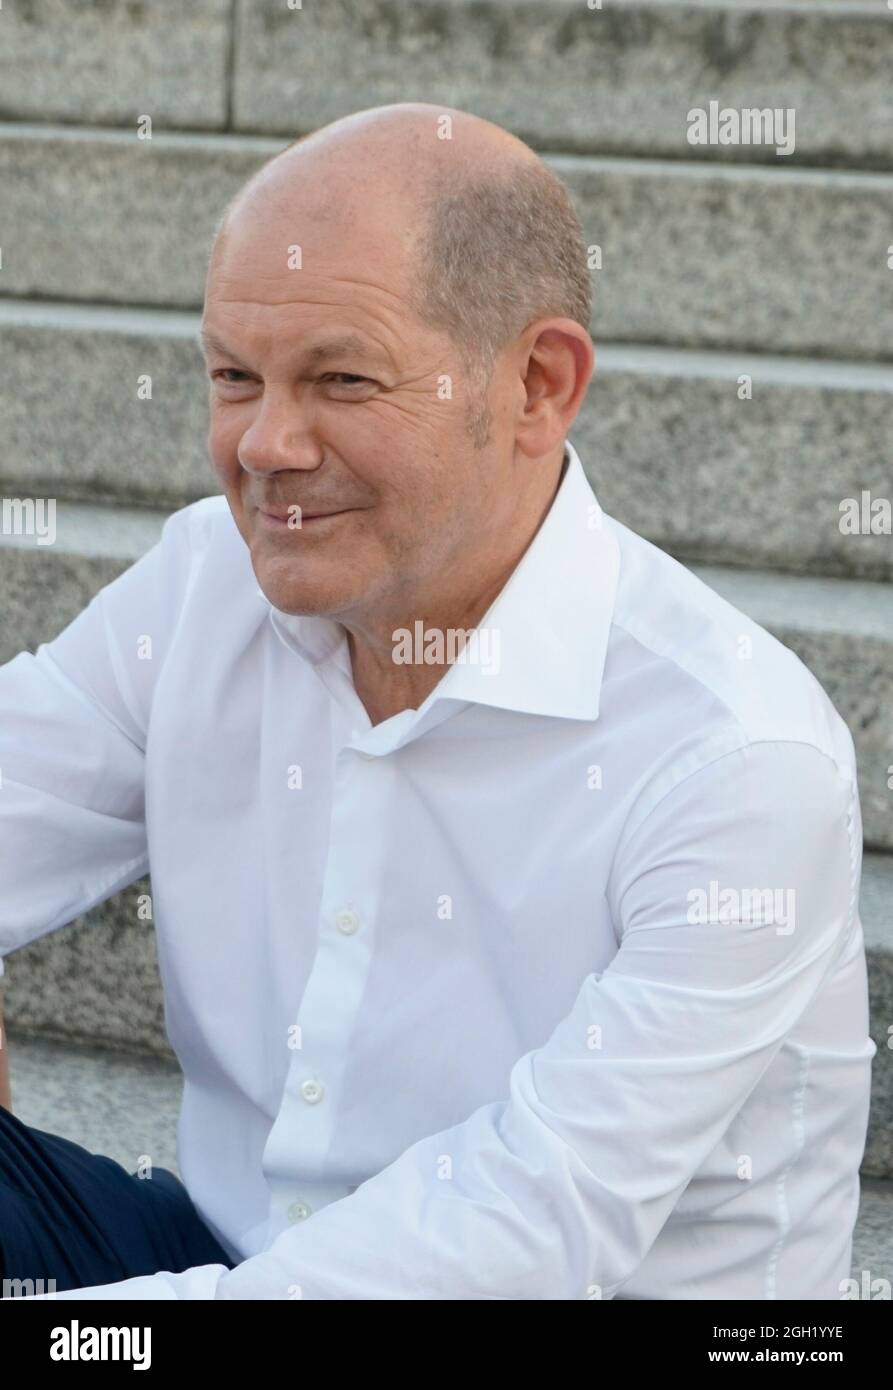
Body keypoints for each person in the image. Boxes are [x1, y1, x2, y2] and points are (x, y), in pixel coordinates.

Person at [0, 102, 875, 1300]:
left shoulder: (733, 758)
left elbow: (515, 1235)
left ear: (536, 385)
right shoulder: (205, 582)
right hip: (233, 1258)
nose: (262, 444)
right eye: (232, 376)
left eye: (340, 378)